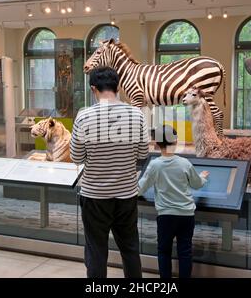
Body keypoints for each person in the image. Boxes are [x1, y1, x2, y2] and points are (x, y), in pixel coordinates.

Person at [70, 66, 149, 278]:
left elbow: (76, 158)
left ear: (93, 89)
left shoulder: (84, 116)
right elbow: (142, 154)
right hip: (126, 194)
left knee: (96, 251)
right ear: (118, 87)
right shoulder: (136, 114)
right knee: (130, 248)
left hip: (94, 196)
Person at [138, 125, 209, 278]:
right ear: (176, 141)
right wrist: (203, 177)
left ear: (156, 143)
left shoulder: (155, 165)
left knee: (164, 251)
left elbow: (141, 188)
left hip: (166, 217)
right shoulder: (185, 163)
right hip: (186, 215)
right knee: (185, 251)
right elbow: (197, 183)